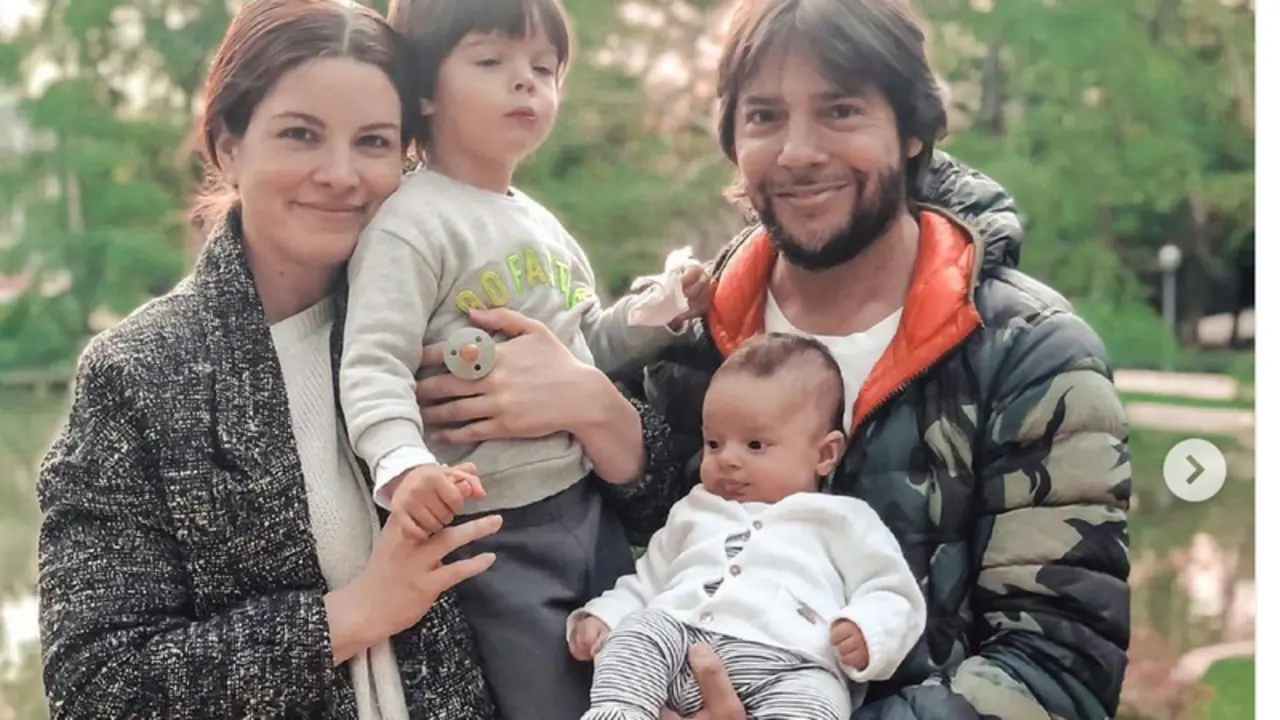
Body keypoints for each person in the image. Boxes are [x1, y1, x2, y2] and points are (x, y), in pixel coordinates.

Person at [592, 0, 1133, 718]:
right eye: (764, 117)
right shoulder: (689, 338)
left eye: (840, 111)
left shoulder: (1032, 356)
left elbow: (1058, 669)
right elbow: (631, 556)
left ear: (911, 130)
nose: (797, 152)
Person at [34, 1, 508, 717]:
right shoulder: (138, 374)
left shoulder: (455, 321)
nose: (341, 174)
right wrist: (353, 614)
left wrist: (602, 418)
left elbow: (672, 505)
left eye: (374, 142)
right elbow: (98, 687)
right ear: (228, 145)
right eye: (300, 135)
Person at [338, 1, 707, 717]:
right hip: (497, 533)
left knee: (642, 677)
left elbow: (583, 350)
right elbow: (373, 364)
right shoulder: (411, 225)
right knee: (553, 699)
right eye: (491, 63)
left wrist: (655, 315)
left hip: (587, 506)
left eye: (544, 68)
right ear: (421, 90)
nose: (525, 84)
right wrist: (405, 467)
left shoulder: (538, 220)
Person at [568, 333, 928, 720]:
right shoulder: (694, 510)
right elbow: (647, 582)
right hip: (683, 639)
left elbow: (892, 593)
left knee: (819, 699)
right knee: (638, 636)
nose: (728, 460)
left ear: (825, 454)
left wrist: (867, 631)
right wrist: (606, 616)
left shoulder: (842, 520)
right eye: (714, 443)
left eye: (755, 445)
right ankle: (620, 711)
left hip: (790, 661)